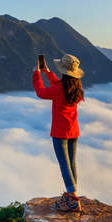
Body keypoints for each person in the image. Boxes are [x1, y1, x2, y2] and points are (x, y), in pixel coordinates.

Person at [33, 54, 86, 212]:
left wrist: (37, 73)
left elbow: (41, 92)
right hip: (73, 131)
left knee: (64, 165)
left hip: (60, 133)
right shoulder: (76, 88)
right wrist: (47, 72)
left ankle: (73, 199)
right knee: (71, 163)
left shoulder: (59, 89)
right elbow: (58, 84)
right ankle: (72, 195)